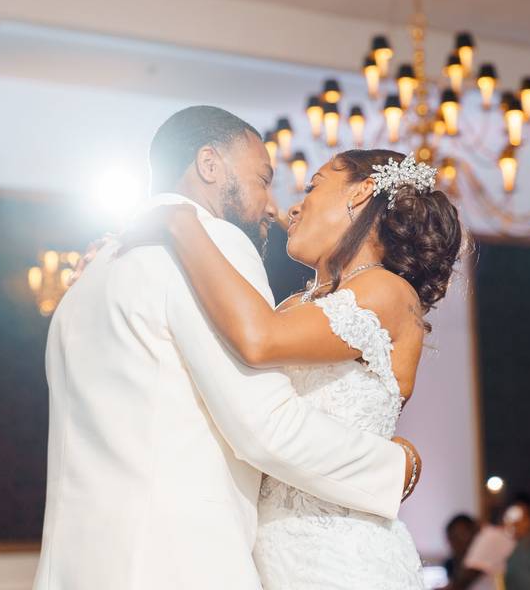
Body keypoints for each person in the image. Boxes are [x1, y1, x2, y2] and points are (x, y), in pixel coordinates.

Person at [33, 107, 423, 589]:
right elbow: (264, 426)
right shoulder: (210, 243)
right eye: (264, 178)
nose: (274, 207)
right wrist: (396, 467)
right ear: (210, 166)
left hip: (77, 565)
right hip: (177, 563)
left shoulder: (95, 272)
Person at [124, 146, 464, 588]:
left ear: (361, 193)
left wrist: (181, 222)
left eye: (313, 185)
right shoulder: (291, 307)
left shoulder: (388, 290)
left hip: (344, 559)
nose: (294, 206)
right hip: (271, 554)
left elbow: (259, 340)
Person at [444, 514, 480, 579]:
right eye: (454, 538)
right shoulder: (450, 565)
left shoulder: (480, 559)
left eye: (462, 535)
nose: (458, 542)